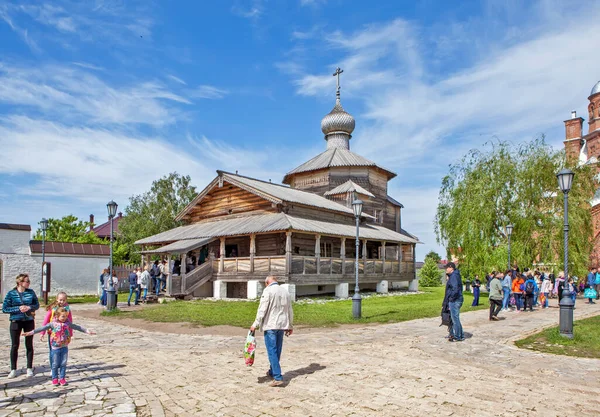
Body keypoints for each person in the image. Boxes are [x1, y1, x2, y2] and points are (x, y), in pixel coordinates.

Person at [24, 307, 95, 386]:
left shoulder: (67, 323)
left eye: (66, 316)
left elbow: (77, 327)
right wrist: (31, 332)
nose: (65, 318)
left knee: (63, 363)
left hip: (64, 346)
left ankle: (62, 378)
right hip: (55, 347)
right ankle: (55, 378)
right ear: (57, 316)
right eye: (63, 316)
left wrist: (87, 331)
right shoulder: (53, 324)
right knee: (55, 364)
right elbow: (42, 328)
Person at [250, 276, 293, 387]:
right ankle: (272, 371)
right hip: (282, 324)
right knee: (277, 350)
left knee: (272, 351)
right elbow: (289, 309)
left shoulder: (268, 291)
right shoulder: (285, 291)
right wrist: (290, 325)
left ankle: (278, 377)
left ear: (267, 282)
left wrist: (255, 324)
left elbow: (262, 309)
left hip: (271, 324)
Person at [2, 273, 40, 378]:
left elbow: (37, 305)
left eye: (29, 281)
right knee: (15, 345)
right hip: (16, 321)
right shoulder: (11, 294)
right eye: (27, 281)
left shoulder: (31, 292)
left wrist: (29, 307)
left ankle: (29, 368)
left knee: (29, 344)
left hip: (28, 320)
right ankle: (13, 369)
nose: (28, 283)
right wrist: (18, 309)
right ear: (20, 282)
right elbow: (5, 308)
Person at [41, 292, 72, 368]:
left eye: (64, 300)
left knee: (63, 351)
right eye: (60, 300)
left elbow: (70, 322)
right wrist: (42, 332)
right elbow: (46, 320)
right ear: (57, 299)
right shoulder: (53, 309)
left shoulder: (67, 309)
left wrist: (70, 333)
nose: (62, 302)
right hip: (53, 333)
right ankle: (53, 367)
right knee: (53, 351)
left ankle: (60, 366)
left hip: (64, 334)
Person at [443, 262, 464, 342]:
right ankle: (460, 334)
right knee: (455, 318)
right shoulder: (454, 275)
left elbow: (455, 289)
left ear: (451, 268)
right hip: (456, 299)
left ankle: (457, 336)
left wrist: (451, 299)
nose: (446, 269)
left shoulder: (454, 276)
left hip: (455, 300)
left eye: (447, 268)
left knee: (455, 319)